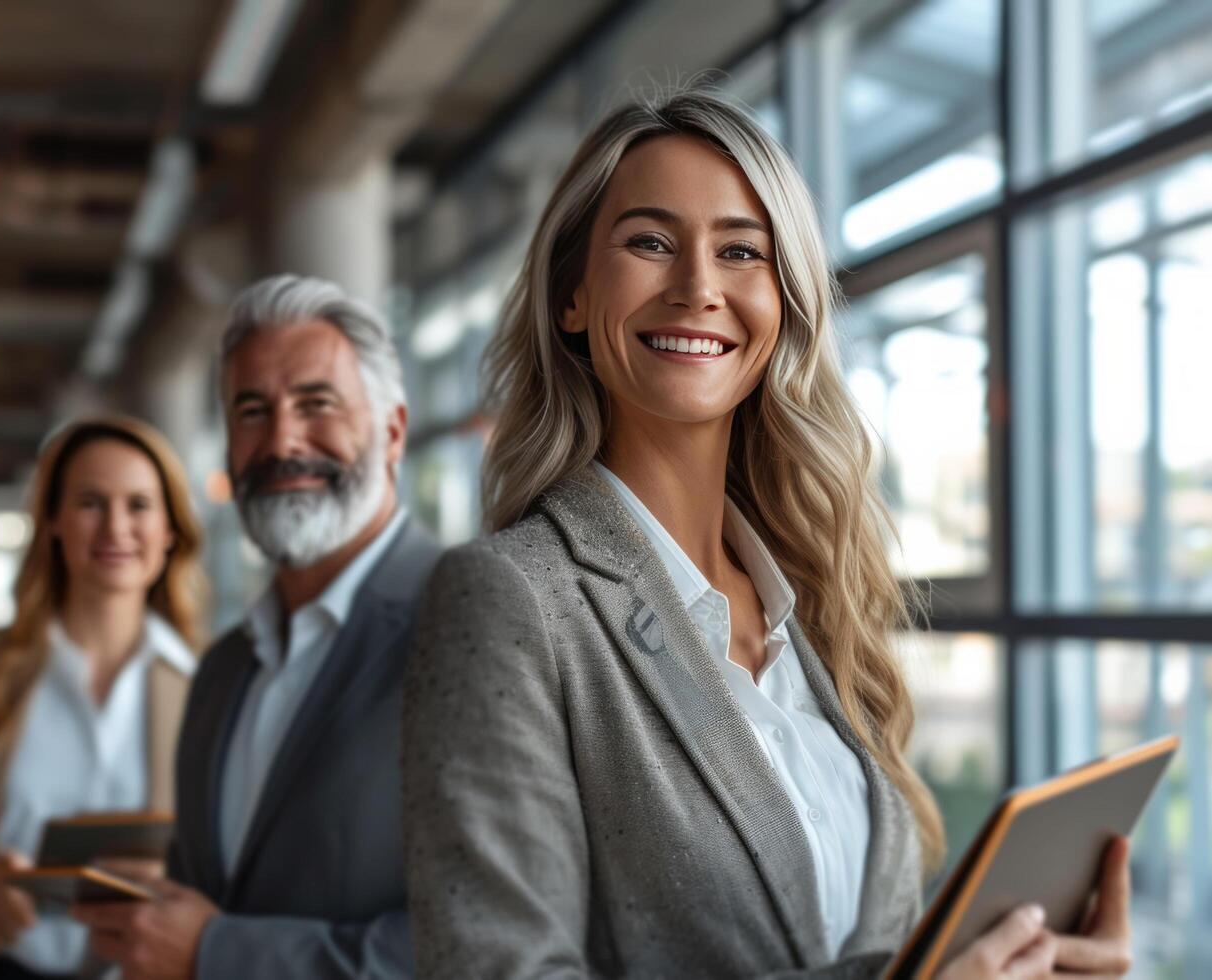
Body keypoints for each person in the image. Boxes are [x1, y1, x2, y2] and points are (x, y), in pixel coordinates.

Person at [401, 86, 1135, 979]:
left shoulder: (815, 607)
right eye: (649, 242)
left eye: (740, 250)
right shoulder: (511, 599)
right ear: (572, 296)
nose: (698, 287)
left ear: (781, 302)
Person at [74, 274, 440, 980]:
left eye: (316, 403)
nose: (281, 440)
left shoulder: (475, 624)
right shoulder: (220, 672)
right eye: (251, 411)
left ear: (392, 431)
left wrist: (216, 954)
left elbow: (494, 946)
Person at [0, 415, 207, 980]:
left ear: (171, 530)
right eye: (90, 502)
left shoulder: (209, 686)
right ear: (52, 520)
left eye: (139, 505)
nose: (116, 528)